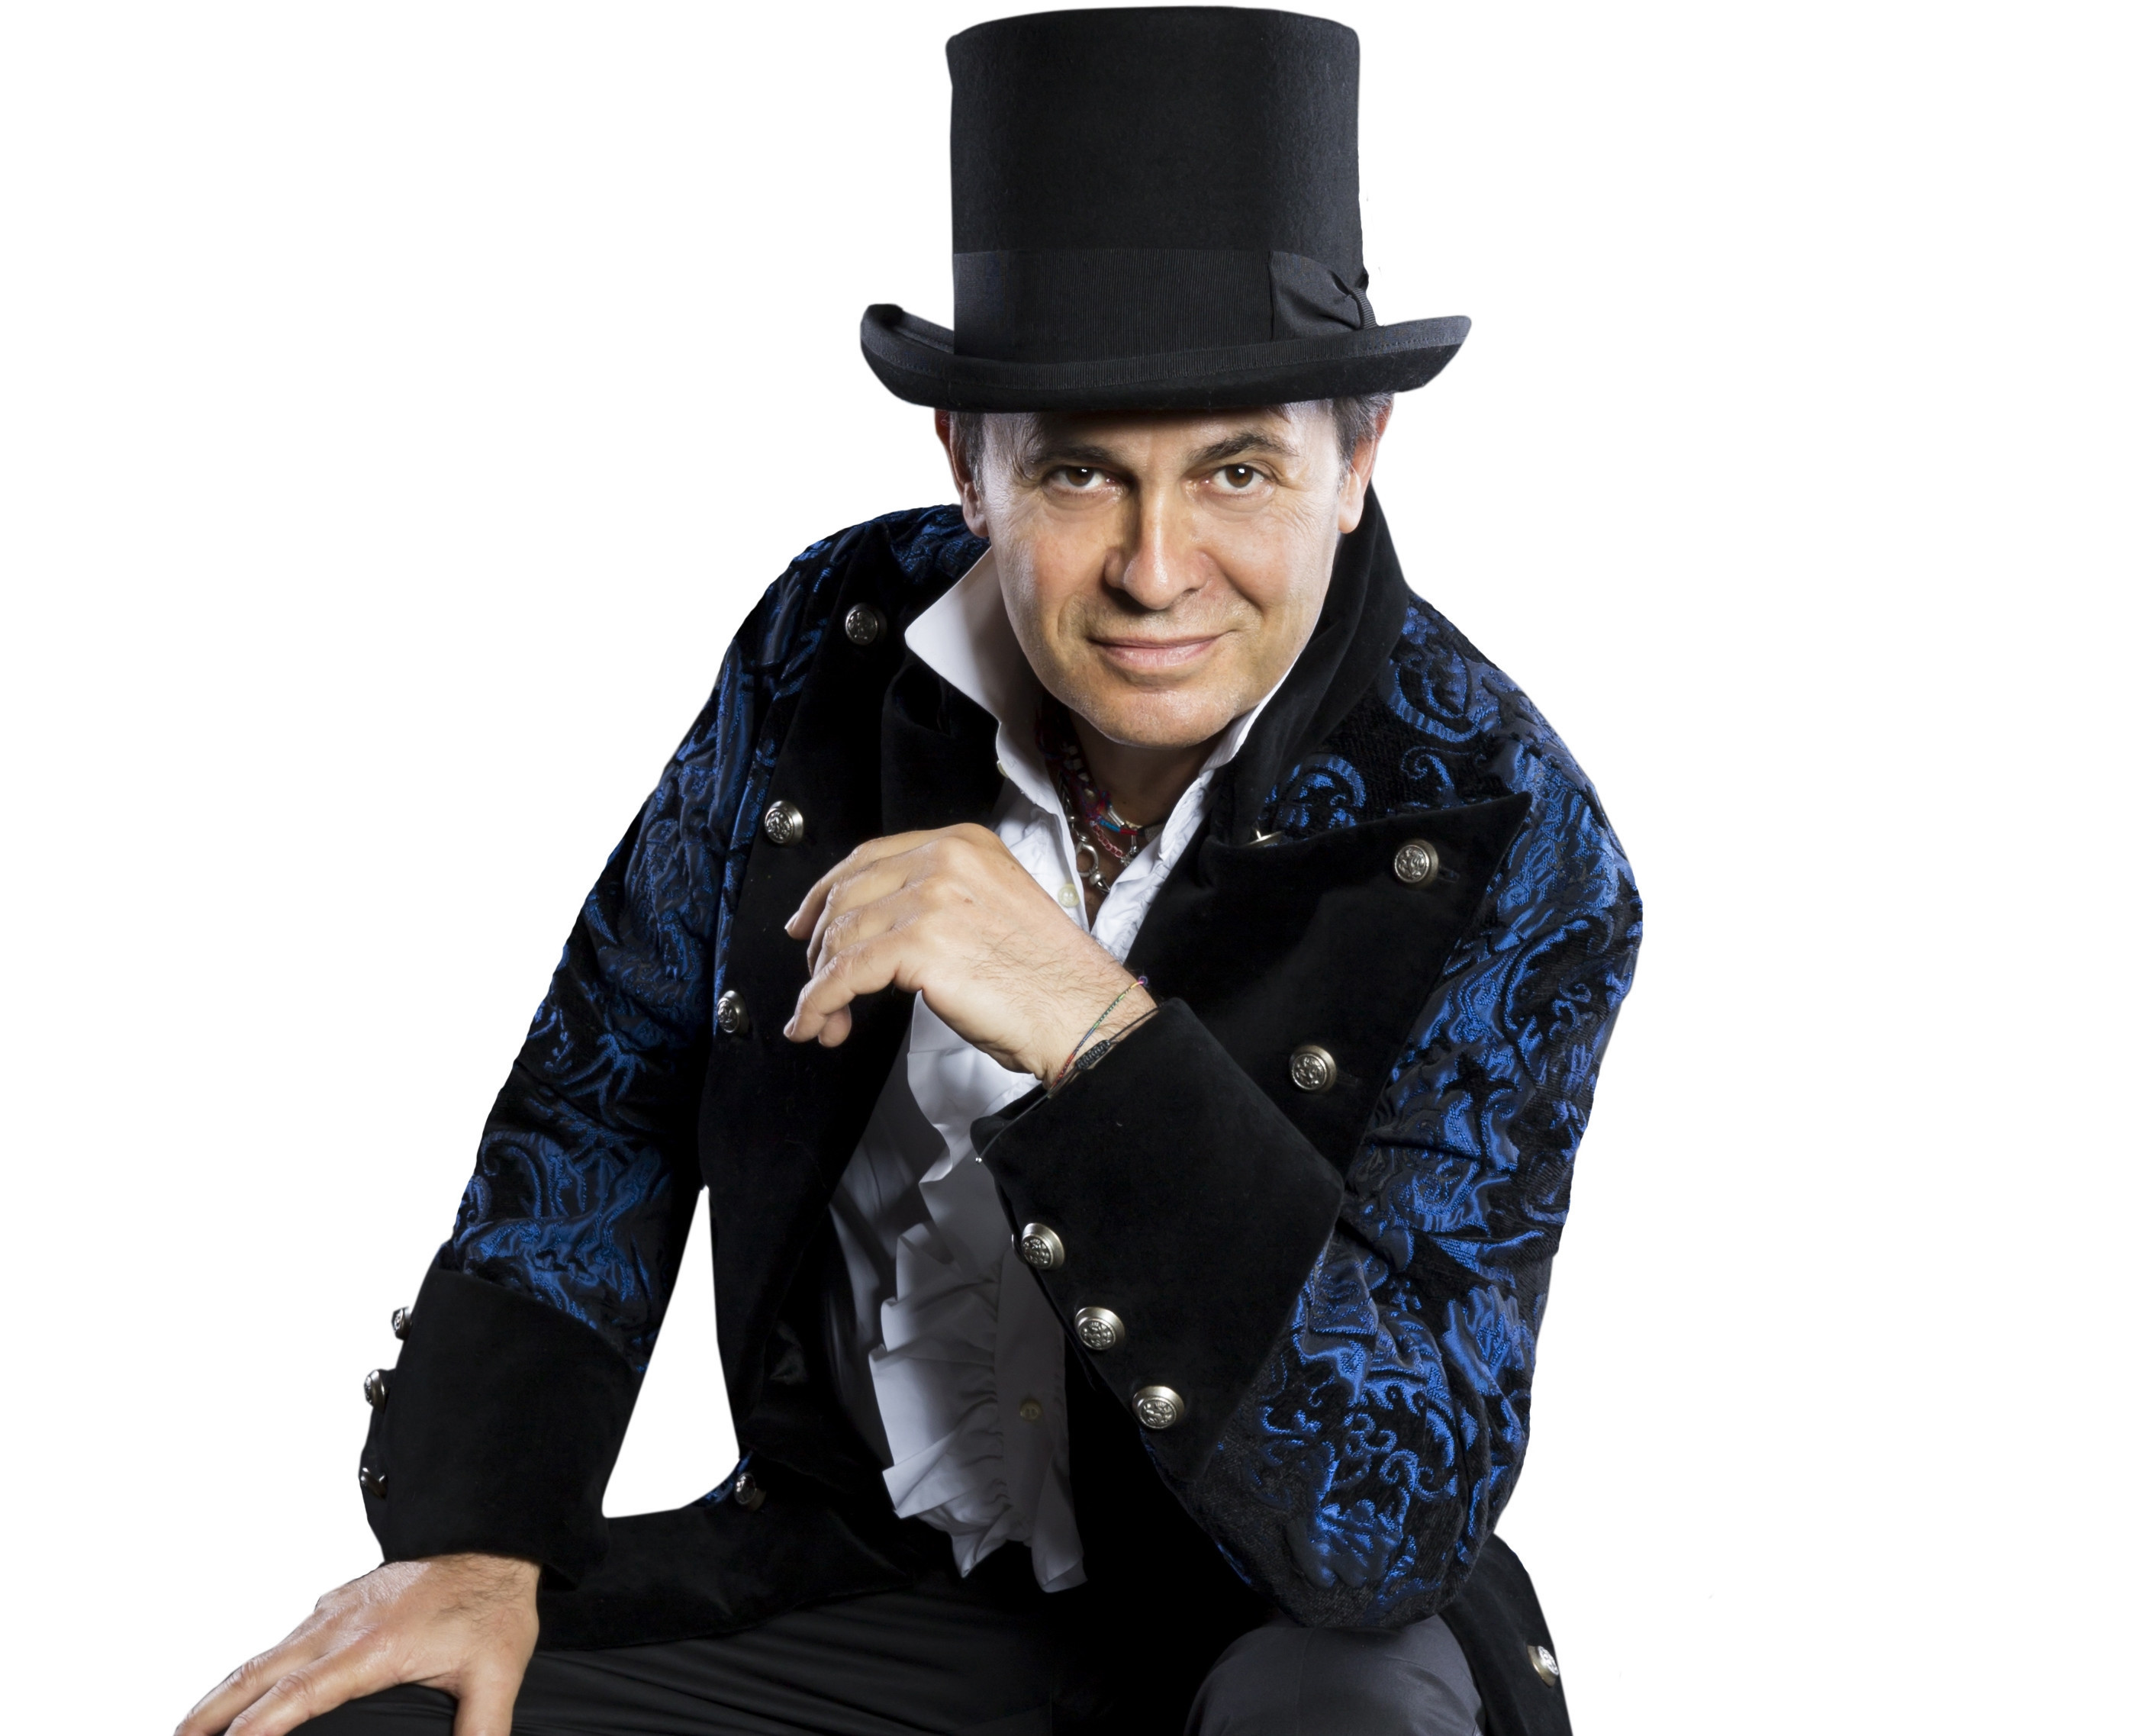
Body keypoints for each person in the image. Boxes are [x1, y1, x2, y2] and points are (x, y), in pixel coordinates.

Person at [179, 11, 1639, 1736]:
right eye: (1080, 472)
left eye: (1237, 470)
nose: (1156, 567)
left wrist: (1096, 1035)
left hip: (1290, 1630)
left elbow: (1389, 1515)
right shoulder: (831, 643)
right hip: (866, 1589)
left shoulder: (1507, 829)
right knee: (368, 1724)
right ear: (967, 463)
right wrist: (479, 1531)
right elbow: (602, 1096)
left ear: (1356, 461)